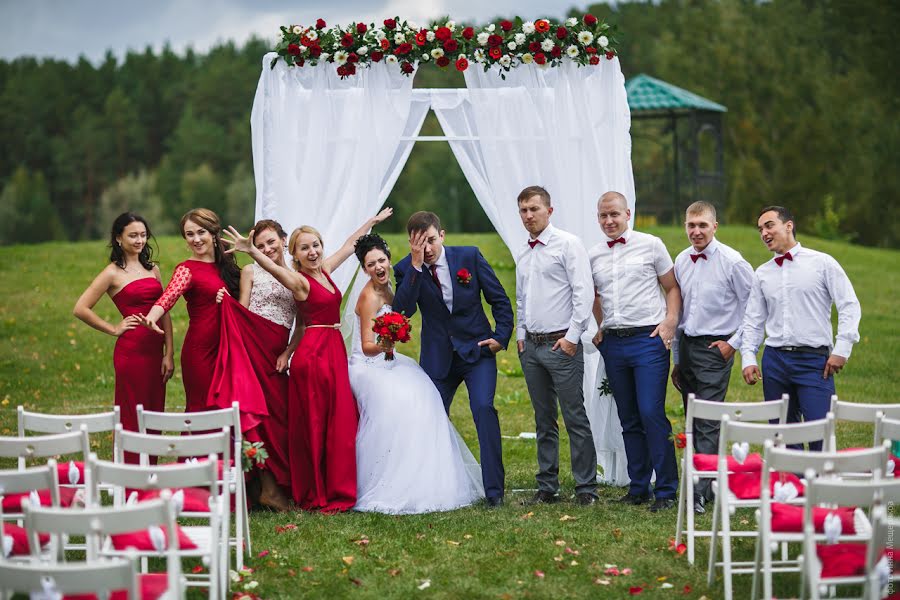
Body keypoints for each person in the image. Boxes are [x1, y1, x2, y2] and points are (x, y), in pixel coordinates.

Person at [222, 208, 393, 511]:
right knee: (317, 424)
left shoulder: (324, 270)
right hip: (314, 355)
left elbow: (349, 246)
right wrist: (252, 251)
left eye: (315, 245)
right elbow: (276, 271)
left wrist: (371, 222)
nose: (312, 251)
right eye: (305, 248)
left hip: (331, 348)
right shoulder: (299, 281)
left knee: (339, 420)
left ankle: (338, 485)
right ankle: (316, 490)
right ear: (295, 255)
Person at [349, 233, 484, 514]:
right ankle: (392, 481)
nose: (378, 267)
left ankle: (426, 479)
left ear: (388, 259)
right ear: (364, 269)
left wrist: (393, 341)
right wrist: (385, 343)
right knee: (405, 401)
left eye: (382, 260)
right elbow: (365, 346)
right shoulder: (369, 297)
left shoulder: (389, 290)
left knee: (426, 393)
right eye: (371, 264)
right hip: (367, 365)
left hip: (389, 358)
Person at [392, 211, 513, 508]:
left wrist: (501, 337)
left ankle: (495, 491)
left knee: (484, 409)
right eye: (421, 244)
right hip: (438, 358)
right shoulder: (406, 269)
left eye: (432, 240)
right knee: (429, 418)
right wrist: (416, 267)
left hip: (477, 352)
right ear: (412, 243)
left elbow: (499, 299)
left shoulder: (469, 257)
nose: (428, 248)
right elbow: (403, 312)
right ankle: (432, 487)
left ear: (442, 235)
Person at [589, 191, 681, 512]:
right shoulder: (594, 255)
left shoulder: (651, 244)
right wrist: (601, 328)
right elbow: (594, 296)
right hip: (614, 343)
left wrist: (670, 322)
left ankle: (667, 489)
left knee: (651, 412)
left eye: (614, 214)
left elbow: (671, 287)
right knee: (628, 417)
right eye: (603, 216)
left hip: (648, 340)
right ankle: (638, 486)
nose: (609, 221)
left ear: (628, 214)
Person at [740, 206, 861, 451]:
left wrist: (842, 349)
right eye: (760, 229)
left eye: (769, 225)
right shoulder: (762, 273)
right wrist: (748, 357)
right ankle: (791, 488)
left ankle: (820, 488)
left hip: (814, 362)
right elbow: (753, 320)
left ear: (789, 225)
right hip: (774, 361)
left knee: (820, 432)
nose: (764, 232)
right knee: (783, 436)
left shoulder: (822, 263)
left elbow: (849, 304)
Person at [514, 186, 597, 506]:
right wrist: (521, 335)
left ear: (549, 210)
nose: (528, 216)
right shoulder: (523, 251)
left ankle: (585, 487)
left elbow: (583, 293)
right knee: (543, 418)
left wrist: (572, 338)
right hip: (531, 347)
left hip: (562, 344)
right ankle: (547, 485)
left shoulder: (568, 244)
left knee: (575, 415)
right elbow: (522, 298)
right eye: (523, 210)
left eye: (534, 209)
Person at [670, 201, 754, 514]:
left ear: (714, 226)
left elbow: (755, 307)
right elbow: (680, 314)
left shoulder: (732, 262)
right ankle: (706, 483)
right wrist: (678, 358)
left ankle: (699, 494)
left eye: (702, 225)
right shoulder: (681, 260)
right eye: (691, 225)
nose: (696, 231)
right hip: (689, 348)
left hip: (715, 349)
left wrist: (733, 344)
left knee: (707, 422)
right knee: (692, 418)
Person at [73, 212, 174, 464]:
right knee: (132, 415)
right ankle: (130, 479)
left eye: (143, 235)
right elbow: (81, 308)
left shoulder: (153, 269)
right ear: (119, 238)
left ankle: (148, 473)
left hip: (155, 353)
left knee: (153, 413)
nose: (139, 240)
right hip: (132, 353)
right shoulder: (111, 273)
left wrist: (169, 353)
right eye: (133, 235)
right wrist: (114, 329)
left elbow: (164, 312)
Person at [214, 219, 299, 512]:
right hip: (253, 345)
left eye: (270, 242)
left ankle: (278, 484)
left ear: (283, 240)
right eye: (260, 245)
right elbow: (243, 309)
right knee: (257, 413)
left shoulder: (297, 273)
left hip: (277, 348)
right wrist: (225, 302)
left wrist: (288, 352)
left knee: (280, 415)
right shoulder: (250, 271)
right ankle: (266, 488)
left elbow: (302, 321)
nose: (266, 249)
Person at [141, 209, 240, 414]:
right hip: (201, 351)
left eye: (201, 232)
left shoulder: (229, 266)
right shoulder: (186, 269)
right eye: (189, 234)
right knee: (202, 410)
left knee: (230, 409)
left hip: (230, 348)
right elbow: (169, 296)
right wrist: (152, 316)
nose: (196, 239)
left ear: (214, 233)